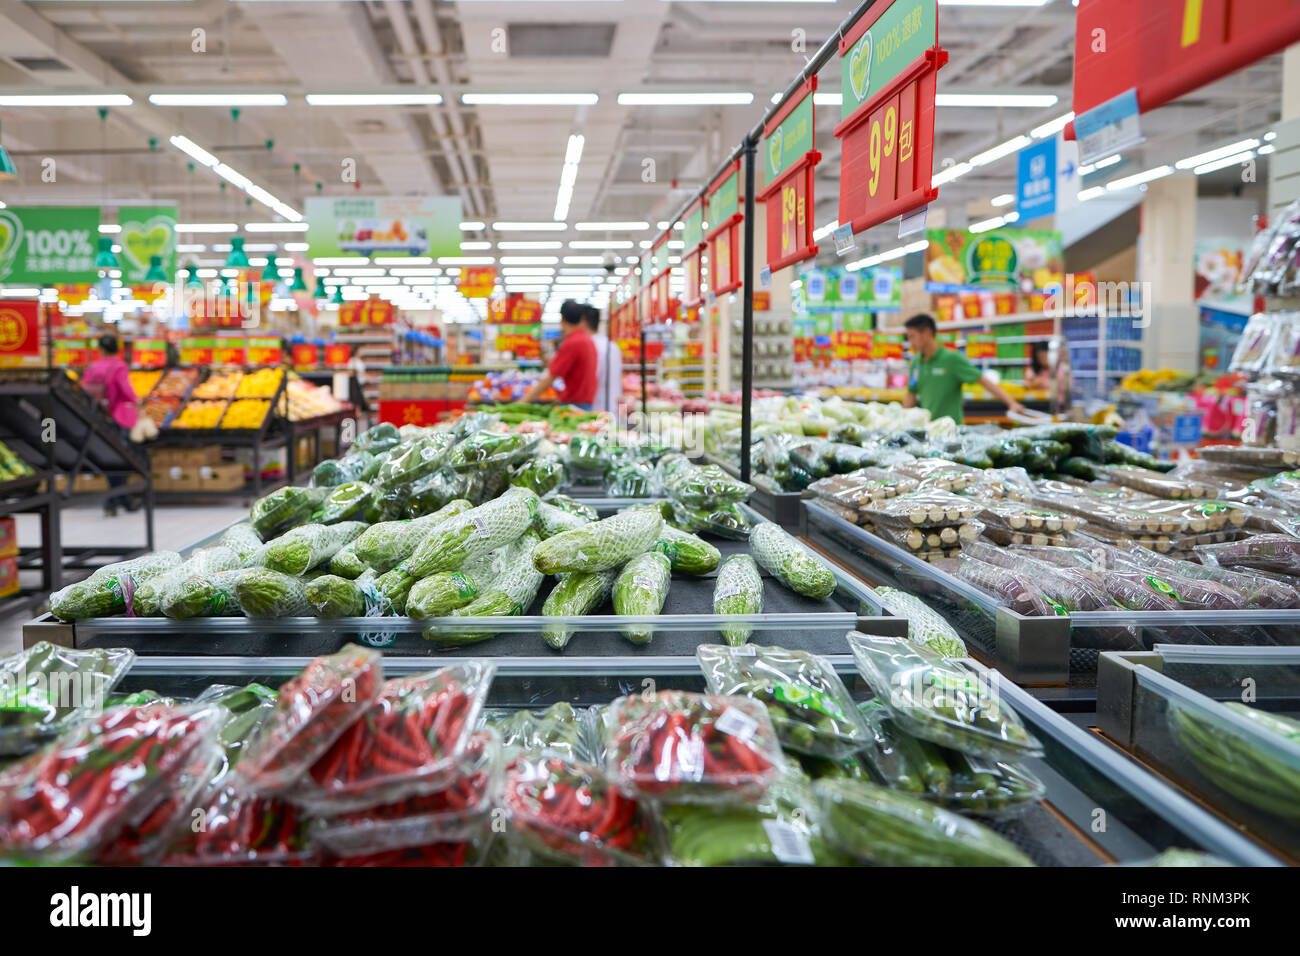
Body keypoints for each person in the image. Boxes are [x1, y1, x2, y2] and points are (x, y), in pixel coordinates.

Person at [900, 313, 1023, 425]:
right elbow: (911, 393)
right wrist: (900, 421)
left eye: (912, 336)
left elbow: (982, 380)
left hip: (952, 431)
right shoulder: (916, 362)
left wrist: (1011, 403)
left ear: (926, 333)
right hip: (928, 429)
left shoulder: (952, 359)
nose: (910, 342)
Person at [81, 333, 140, 516]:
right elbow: (126, 390)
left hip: (99, 418)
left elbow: (84, 390)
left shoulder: (92, 367)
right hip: (118, 416)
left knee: (108, 458)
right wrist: (137, 401)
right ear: (118, 349)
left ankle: (114, 501)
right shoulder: (119, 366)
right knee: (122, 458)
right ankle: (119, 499)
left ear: (100, 349)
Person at [522, 300, 598, 409]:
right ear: (581, 319)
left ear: (562, 319)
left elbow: (550, 378)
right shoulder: (587, 339)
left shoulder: (572, 342)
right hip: (586, 402)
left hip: (574, 404)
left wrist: (522, 401)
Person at [584, 305, 623, 415]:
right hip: (614, 404)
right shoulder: (612, 345)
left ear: (583, 322)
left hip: (597, 407)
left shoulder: (590, 346)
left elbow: (591, 378)